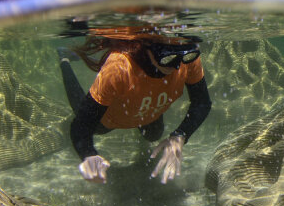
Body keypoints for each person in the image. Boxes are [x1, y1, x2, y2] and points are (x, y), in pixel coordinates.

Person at [58, 31, 212, 185]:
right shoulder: (119, 67)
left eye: (185, 57)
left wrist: (180, 135)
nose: (177, 65)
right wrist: (88, 155)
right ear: (147, 48)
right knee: (83, 113)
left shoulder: (187, 56)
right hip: (109, 119)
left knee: (153, 135)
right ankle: (64, 59)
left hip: (149, 114)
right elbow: (81, 125)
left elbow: (202, 102)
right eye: (168, 58)